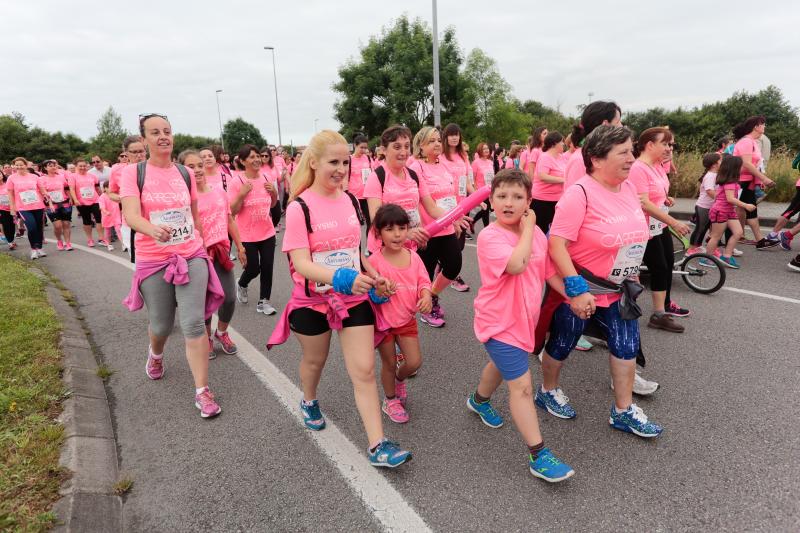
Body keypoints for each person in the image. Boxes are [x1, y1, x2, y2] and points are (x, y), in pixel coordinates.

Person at [267, 129, 412, 468]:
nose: (341, 169)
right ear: (314, 162)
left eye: (345, 162)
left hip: (353, 300)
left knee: (363, 372)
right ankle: (309, 399)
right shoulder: (300, 207)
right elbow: (301, 263)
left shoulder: (349, 200)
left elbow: (355, 251)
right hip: (313, 303)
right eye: (333, 162)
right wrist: (343, 278)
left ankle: (378, 445)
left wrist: (372, 274)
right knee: (315, 362)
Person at [538, 125, 663, 437]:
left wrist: (632, 272)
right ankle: (547, 390)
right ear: (595, 159)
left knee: (626, 347)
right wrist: (576, 290)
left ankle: (622, 411)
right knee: (562, 344)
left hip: (620, 291)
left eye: (632, 151)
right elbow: (556, 245)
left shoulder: (630, 190)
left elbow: (632, 238)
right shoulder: (578, 194)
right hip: (583, 291)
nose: (631, 158)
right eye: (623, 152)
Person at [465, 167, 574, 482]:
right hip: (498, 322)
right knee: (522, 387)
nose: (508, 202)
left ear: (529, 201)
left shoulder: (536, 235)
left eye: (517, 196)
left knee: (500, 366)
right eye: (501, 196)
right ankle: (539, 455)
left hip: (523, 319)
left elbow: (545, 270)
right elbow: (517, 264)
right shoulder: (490, 237)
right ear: (491, 202)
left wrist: (572, 297)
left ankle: (478, 401)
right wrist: (529, 229)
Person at [120, 113, 224, 419]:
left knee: (193, 323)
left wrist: (202, 242)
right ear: (145, 138)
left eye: (167, 131)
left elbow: (194, 214)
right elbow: (130, 214)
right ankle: (155, 354)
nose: (163, 136)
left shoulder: (184, 173)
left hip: (190, 255)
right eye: (155, 132)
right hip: (153, 258)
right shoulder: (133, 173)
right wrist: (150, 229)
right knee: (163, 325)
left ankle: (202, 391)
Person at [179, 150, 246, 358]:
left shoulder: (219, 192)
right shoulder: (183, 198)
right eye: (191, 166)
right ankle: (206, 338)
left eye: (199, 165)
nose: (197, 169)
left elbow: (229, 220)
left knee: (229, 297)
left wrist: (240, 246)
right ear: (182, 170)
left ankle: (222, 332)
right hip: (197, 255)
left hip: (221, 252)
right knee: (204, 301)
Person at [369, 204, 431, 424]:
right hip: (383, 322)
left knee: (413, 362)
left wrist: (426, 296)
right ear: (378, 233)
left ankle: (399, 379)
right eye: (389, 229)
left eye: (402, 228)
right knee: (389, 362)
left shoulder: (414, 257)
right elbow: (368, 293)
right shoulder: (373, 262)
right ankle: (390, 400)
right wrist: (378, 291)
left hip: (406, 320)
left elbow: (424, 282)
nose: (397, 234)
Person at [628, 127, 691, 330]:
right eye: (665, 144)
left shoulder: (657, 166)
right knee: (658, 268)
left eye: (671, 144)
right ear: (649, 145)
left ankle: (663, 307)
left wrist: (666, 198)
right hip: (644, 227)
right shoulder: (638, 168)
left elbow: (657, 193)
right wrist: (674, 222)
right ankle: (658, 315)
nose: (669, 148)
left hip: (659, 224)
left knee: (667, 264)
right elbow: (644, 203)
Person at [407, 126, 471, 328]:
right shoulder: (416, 166)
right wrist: (453, 218)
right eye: (431, 141)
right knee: (424, 273)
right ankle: (424, 310)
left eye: (437, 140)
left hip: (447, 226)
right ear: (421, 146)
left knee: (453, 265)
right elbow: (429, 205)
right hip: (428, 230)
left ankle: (432, 296)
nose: (437, 144)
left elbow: (451, 198)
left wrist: (456, 218)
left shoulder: (443, 166)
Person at [228, 144, 278, 315]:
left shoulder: (266, 177)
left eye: (258, 156)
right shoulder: (237, 182)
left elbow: (272, 205)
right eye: (251, 157)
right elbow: (232, 211)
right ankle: (241, 284)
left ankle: (264, 301)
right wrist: (242, 194)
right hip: (247, 235)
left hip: (267, 232)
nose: (257, 159)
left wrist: (274, 194)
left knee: (267, 267)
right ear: (242, 161)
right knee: (253, 268)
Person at [731, 116, 778, 249]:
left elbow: (757, 164)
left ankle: (757, 239)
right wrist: (763, 178)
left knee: (748, 208)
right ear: (756, 126)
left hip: (748, 180)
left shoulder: (753, 142)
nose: (765, 127)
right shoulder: (746, 142)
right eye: (763, 124)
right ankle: (716, 236)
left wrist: (758, 179)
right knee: (740, 208)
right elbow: (746, 164)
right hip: (740, 180)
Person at [701, 156, 755, 269]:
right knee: (716, 236)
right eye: (741, 166)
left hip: (729, 211)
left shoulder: (731, 181)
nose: (742, 168)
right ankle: (706, 258)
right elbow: (730, 199)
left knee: (738, 232)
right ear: (735, 168)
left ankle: (726, 256)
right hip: (720, 211)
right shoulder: (730, 182)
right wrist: (746, 205)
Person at [440, 123, 475, 291]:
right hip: (446, 206)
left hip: (462, 205)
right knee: (450, 243)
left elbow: (466, 181)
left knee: (459, 243)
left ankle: (444, 269)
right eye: (451, 134)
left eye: (457, 134)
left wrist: (477, 197)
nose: (454, 137)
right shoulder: (440, 156)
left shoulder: (463, 156)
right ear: (445, 137)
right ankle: (452, 274)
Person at [564, 101, 622, 190]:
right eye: (618, 122)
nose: (622, 126)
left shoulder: (603, 155)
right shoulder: (581, 160)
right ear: (605, 125)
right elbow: (573, 199)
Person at [109, 135, 147, 255]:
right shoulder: (118, 171)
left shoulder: (154, 168)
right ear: (126, 153)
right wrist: (125, 199)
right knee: (138, 261)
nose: (139, 155)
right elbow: (110, 193)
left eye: (141, 151)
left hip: (155, 220)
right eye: (134, 152)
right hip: (131, 223)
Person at [7, 156, 48, 258]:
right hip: (23, 207)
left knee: (39, 227)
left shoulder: (34, 177)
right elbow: (10, 194)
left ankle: (40, 248)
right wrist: (12, 207)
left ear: (25, 165)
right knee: (32, 227)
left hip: (38, 205)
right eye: (17, 165)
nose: (19, 167)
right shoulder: (11, 178)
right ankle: (33, 249)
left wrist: (47, 196)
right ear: (14, 166)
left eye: (21, 165)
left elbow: (42, 189)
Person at [531, 131, 565, 233]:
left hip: (557, 199)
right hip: (542, 200)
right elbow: (542, 176)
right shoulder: (545, 157)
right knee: (540, 230)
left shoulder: (561, 157)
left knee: (554, 230)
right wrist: (563, 180)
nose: (563, 144)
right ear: (554, 143)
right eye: (561, 142)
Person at [687, 153, 721, 255]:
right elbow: (709, 191)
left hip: (710, 207)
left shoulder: (715, 175)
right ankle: (691, 249)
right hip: (703, 207)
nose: (722, 162)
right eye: (720, 160)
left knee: (707, 228)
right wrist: (721, 199)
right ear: (714, 164)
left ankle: (699, 246)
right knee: (700, 228)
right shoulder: (710, 175)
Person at [69, 158, 105, 247]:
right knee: (87, 221)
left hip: (95, 200)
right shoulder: (73, 177)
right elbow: (72, 189)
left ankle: (101, 238)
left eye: (84, 166)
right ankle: (90, 239)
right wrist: (75, 200)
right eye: (80, 166)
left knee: (99, 219)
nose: (83, 167)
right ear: (76, 167)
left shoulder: (92, 176)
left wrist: (102, 198)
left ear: (87, 166)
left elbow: (97, 189)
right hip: (82, 202)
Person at [40, 159, 74, 250]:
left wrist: (70, 198)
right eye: (50, 166)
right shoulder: (42, 179)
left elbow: (66, 189)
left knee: (66, 224)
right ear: (45, 168)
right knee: (58, 226)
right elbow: (43, 193)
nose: (53, 167)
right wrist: (49, 203)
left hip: (64, 203)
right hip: (51, 205)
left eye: (54, 165)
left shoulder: (61, 177)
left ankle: (68, 243)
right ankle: (59, 240)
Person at [346, 134, 374, 227]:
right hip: (354, 197)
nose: (364, 150)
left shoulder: (368, 159)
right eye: (361, 147)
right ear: (355, 145)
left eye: (365, 148)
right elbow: (344, 178)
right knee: (356, 224)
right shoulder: (349, 160)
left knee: (370, 223)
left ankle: (369, 241)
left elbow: (373, 175)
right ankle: (358, 242)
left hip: (367, 196)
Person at [471, 142, 495, 229]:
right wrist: (474, 190)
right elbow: (472, 178)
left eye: (487, 148)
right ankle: (487, 229)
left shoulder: (490, 162)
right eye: (484, 149)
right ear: (480, 150)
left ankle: (473, 222)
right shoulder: (475, 163)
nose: (486, 150)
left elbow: (492, 176)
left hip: (490, 190)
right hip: (480, 191)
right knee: (486, 209)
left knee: (486, 209)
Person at [259, 146, 282, 231]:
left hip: (275, 195)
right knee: (265, 218)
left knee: (277, 216)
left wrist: (283, 176)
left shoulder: (273, 167)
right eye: (262, 155)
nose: (264, 157)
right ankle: (268, 235)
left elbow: (279, 179)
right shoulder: (257, 168)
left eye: (266, 156)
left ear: (270, 157)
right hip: (263, 197)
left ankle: (270, 232)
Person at [98, 182, 121, 252]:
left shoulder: (115, 195)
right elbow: (101, 207)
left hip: (116, 215)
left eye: (111, 187)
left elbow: (121, 202)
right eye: (108, 187)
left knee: (119, 229)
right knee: (108, 231)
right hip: (107, 216)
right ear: (105, 188)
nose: (110, 189)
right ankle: (109, 244)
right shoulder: (102, 197)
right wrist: (106, 212)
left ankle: (124, 244)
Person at [0, 168, 18, 250]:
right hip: (2, 210)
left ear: (2, 175)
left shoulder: (7, 184)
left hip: (12, 208)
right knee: (6, 225)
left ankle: (12, 240)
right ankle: (10, 242)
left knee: (12, 225)